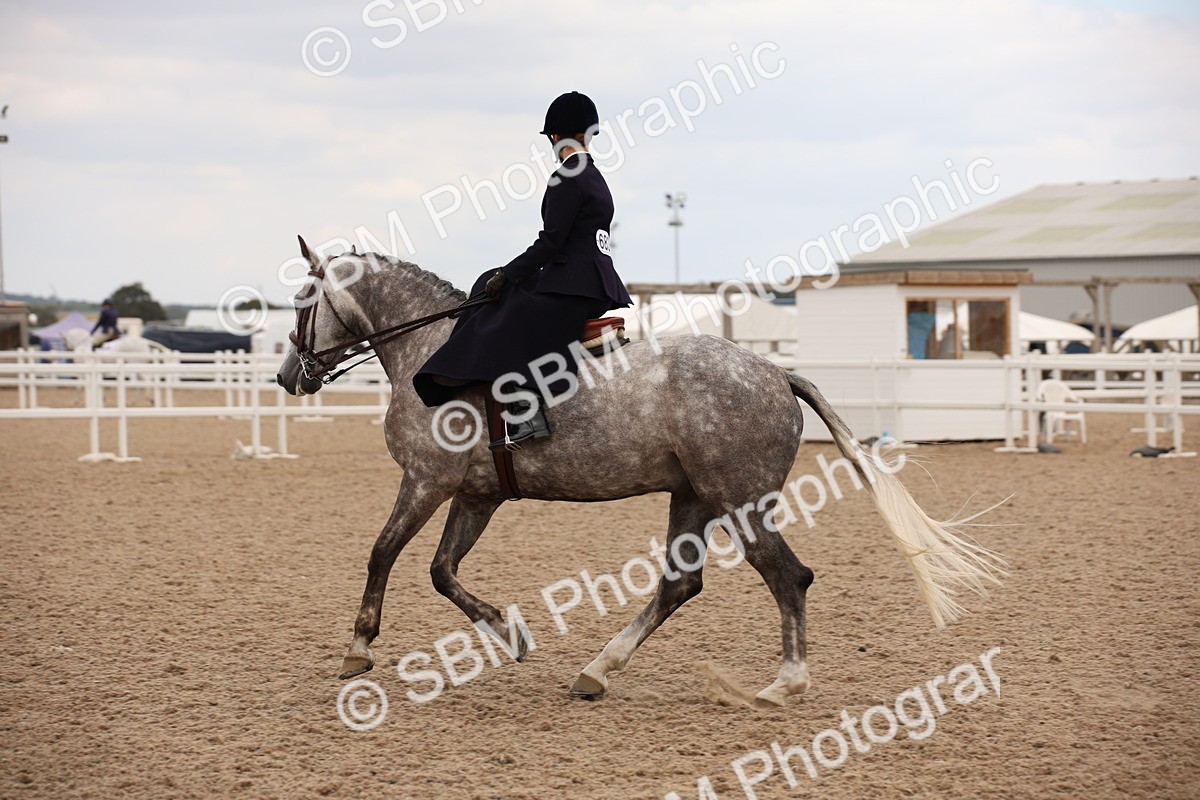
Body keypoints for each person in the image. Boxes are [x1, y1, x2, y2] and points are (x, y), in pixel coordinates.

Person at [413, 91, 632, 450]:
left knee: (504, 308)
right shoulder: (595, 176)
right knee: (490, 283)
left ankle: (525, 410)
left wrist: (508, 275)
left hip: (573, 285)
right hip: (597, 284)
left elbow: (550, 242)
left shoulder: (567, 176)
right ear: (588, 134)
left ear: (554, 136)